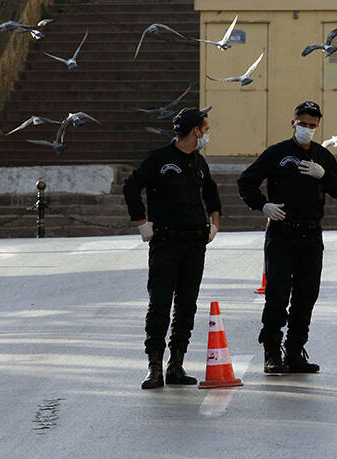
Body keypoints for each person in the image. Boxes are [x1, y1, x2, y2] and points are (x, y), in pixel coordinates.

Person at [237, 101, 337, 374]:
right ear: (293, 123)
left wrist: (324, 176)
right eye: (303, 124)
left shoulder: (322, 156)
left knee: (306, 295)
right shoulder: (278, 153)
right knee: (277, 294)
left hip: (311, 235)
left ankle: (295, 351)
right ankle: (272, 352)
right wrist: (262, 204)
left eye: (313, 125)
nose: (307, 129)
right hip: (282, 233)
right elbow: (246, 181)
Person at [123, 106, 222, 389]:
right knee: (160, 304)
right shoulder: (160, 159)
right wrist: (142, 221)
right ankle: (154, 365)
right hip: (166, 242)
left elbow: (212, 195)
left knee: (186, 305)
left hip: (195, 243)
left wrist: (214, 224)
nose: (206, 134)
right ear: (195, 131)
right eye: (205, 129)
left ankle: (176, 364)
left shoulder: (199, 163)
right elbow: (132, 186)